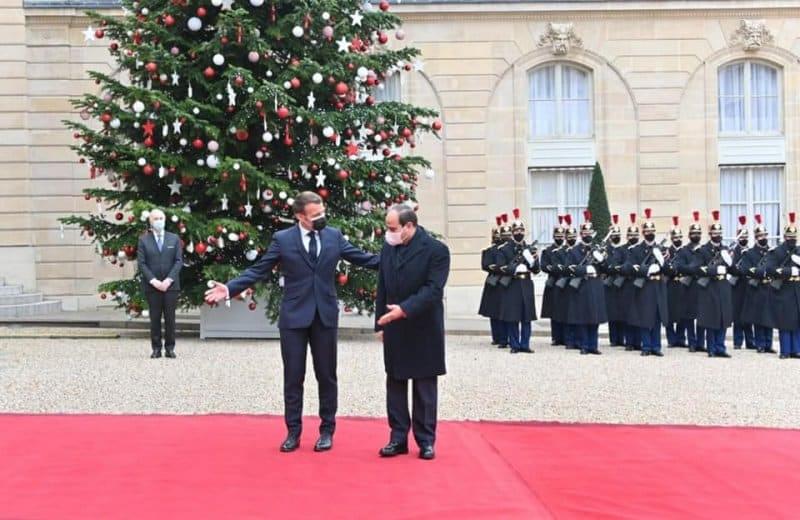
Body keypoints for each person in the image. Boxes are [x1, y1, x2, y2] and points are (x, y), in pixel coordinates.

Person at [204, 191, 380, 453]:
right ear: (300, 216)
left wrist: (400, 258)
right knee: (293, 377)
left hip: (325, 316)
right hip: (294, 317)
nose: (321, 218)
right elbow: (259, 269)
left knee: (327, 376)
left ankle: (326, 430)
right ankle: (293, 432)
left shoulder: (333, 235)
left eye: (322, 212)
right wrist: (229, 289)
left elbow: (363, 258)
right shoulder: (283, 239)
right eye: (315, 215)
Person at [375, 204, 450, 460]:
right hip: (394, 325)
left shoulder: (436, 251)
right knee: (395, 382)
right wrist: (380, 323)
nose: (389, 232)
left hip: (423, 325)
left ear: (409, 226)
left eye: (392, 228)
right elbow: (382, 286)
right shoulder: (389, 247)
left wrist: (403, 310)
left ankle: (426, 440)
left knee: (424, 387)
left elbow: (433, 290)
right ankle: (397, 438)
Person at [137, 208, 183, 359]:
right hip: (153, 287)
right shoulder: (143, 240)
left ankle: (170, 348)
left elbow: (178, 261)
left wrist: (168, 280)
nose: (159, 221)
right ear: (150, 222)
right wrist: (154, 281)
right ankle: (156, 348)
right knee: (155, 318)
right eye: (156, 219)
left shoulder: (174, 238)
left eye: (161, 218)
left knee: (170, 318)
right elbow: (142, 264)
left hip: (171, 286)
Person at [623, 208, 669, 357]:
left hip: (658, 286)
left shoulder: (661, 249)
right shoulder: (637, 249)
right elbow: (628, 267)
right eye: (647, 231)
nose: (650, 233)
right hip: (645, 286)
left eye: (652, 231)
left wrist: (662, 262)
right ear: (643, 233)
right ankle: (646, 346)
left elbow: (668, 269)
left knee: (656, 317)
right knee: (645, 317)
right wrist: (647, 270)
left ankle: (656, 346)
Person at [496, 208, 539, 353]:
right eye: (517, 231)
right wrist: (514, 268)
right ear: (513, 232)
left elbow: (537, 270)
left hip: (526, 283)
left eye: (521, 230)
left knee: (526, 317)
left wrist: (532, 261)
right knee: (513, 317)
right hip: (512, 284)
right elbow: (500, 267)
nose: (519, 233)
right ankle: (514, 345)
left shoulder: (528, 248)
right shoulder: (505, 249)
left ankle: (525, 344)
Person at [565, 210, 607, 355]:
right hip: (582, 285)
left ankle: (593, 345)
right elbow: (569, 268)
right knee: (583, 317)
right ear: (581, 235)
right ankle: (584, 345)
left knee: (594, 317)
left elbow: (605, 268)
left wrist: (601, 259)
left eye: (590, 234)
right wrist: (584, 269)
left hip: (595, 284)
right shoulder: (575, 251)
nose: (588, 236)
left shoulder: (596, 249)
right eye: (585, 234)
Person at [694, 210, 733, 358]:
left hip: (723, 286)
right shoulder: (703, 250)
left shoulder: (726, 249)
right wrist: (715, 269)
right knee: (712, 319)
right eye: (715, 233)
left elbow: (734, 269)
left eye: (720, 233)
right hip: (709, 287)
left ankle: (720, 347)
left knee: (723, 318)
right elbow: (698, 268)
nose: (718, 236)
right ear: (710, 234)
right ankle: (711, 348)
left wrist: (730, 262)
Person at [761, 213, 800, 359]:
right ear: (785, 237)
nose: (792, 240)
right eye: (790, 238)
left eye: (794, 238)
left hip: (797, 290)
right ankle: (785, 350)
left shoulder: (798, 250)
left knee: (797, 321)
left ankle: (796, 350)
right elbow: (769, 269)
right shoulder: (777, 251)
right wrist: (789, 271)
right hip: (784, 290)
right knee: (785, 322)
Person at [739, 215, 776, 354]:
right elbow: (746, 269)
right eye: (760, 236)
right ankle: (760, 344)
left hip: (769, 288)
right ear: (756, 238)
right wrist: (761, 272)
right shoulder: (750, 253)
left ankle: (768, 344)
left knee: (769, 317)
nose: (763, 238)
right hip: (757, 287)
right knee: (759, 318)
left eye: (765, 235)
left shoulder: (772, 252)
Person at [673, 211, 706, 353]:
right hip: (688, 287)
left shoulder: (704, 250)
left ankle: (700, 342)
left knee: (702, 317)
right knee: (689, 317)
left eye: (698, 233)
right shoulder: (684, 251)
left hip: (702, 286)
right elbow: (679, 266)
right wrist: (692, 268)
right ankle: (691, 342)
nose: (696, 236)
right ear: (689, 235)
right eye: (693, 233)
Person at [478, 216, 506, 347]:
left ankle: (501, 337)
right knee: (494, 312)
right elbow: (485, 265)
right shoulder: (490, 251)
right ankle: (497, 336)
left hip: (504, 282)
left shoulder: (505, 250)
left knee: (501, 311)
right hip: (493, 282)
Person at [541, 216, 567, 346]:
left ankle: (566, 337)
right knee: (554, 311)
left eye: (562, 236)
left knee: (566, 310)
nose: (560, 238)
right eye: (557, 235)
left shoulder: (568, 250)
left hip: (565, 282)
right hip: (553, 281)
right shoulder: (548, 250)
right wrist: (552, 268)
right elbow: (544, 266)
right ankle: (556, 337)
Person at [730, 216, 755, 350]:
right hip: (737, 285)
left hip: (748, 285)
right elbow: (732, 266)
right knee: (737, 314)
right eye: (741, 237)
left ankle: (750, 341)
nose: (743, 239)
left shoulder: (750, 251)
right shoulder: (734, 251)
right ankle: (737, 341)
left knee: (748, 314)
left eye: (745, 237)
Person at [664, 217, 688, 348]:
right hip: (670, 284)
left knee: (682, 313)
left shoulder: (685, 251)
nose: (678, 239)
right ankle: (671, 339)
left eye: (680, 237)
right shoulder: (667, 251)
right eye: (676, 237)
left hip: (682, 284)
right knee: (669, 313)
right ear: (672, 239)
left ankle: (681, 338)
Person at [603, 215, 626, 347]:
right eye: (614, 234)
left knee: (621, 312)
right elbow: (606, 265)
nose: (616, 236)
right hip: (610, 283)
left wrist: (618, 268)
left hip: (621, 283)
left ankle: (621, 339)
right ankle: (613, 339)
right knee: (612, 312)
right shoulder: (607, 250)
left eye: (618, 234)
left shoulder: (623, 250)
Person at [621, 213, 642, 351]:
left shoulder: (641, 249)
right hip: (627, 284)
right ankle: (629, 341)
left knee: (640, 314)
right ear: (627, 236)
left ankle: (638, 341)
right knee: (628, 314)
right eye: (631, 235)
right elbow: (621, 265)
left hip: (640, 285)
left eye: (636, 235)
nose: (633, 238)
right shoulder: (622, 249)